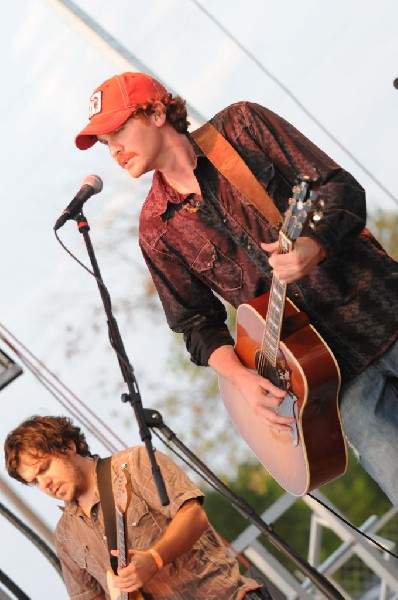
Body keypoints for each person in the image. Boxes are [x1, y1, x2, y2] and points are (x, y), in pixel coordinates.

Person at [74, 72, 398, 504]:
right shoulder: (156, 229)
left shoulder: (242, 127)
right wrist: (243, 380)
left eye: (117, 131)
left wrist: (313, 246)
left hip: (384, 311)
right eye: (104, 142)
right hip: (333, 379)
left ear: (154, 113)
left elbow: (338, 188)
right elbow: (196, 325)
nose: (113, 150)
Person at [4, 415, 268, 599]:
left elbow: (194, 516)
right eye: (34, 481)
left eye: (44, 468)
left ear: (68, 446)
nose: (45, 484)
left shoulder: (134, 463)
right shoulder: (65, 535)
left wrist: (154, 559)